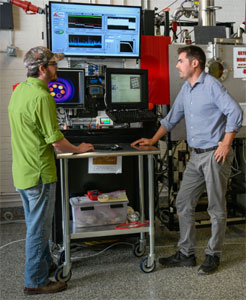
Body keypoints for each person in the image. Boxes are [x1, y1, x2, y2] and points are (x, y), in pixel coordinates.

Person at [131, 45, 243, 275]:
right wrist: (152, 140)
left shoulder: (212, 85)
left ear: (195, 63)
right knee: (183, 202)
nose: (177, 65)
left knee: (216, 208)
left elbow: (235, 112)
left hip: (215, 154)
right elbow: (171, 119)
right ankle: (186, 253)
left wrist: (226, 142)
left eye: (180, 60)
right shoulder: (186, 88)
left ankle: (213, 255)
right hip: (196, 155)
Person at [8, 46, 94, 295]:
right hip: (39, 172)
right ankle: (34, 282)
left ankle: (45, 265)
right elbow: (56, 141)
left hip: (22, 171)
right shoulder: (43, 97)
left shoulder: (20, 90)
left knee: (38, 226)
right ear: (43, 69)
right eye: (54, 65)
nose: (58, 68)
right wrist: (79, 148)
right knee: (39, 230)